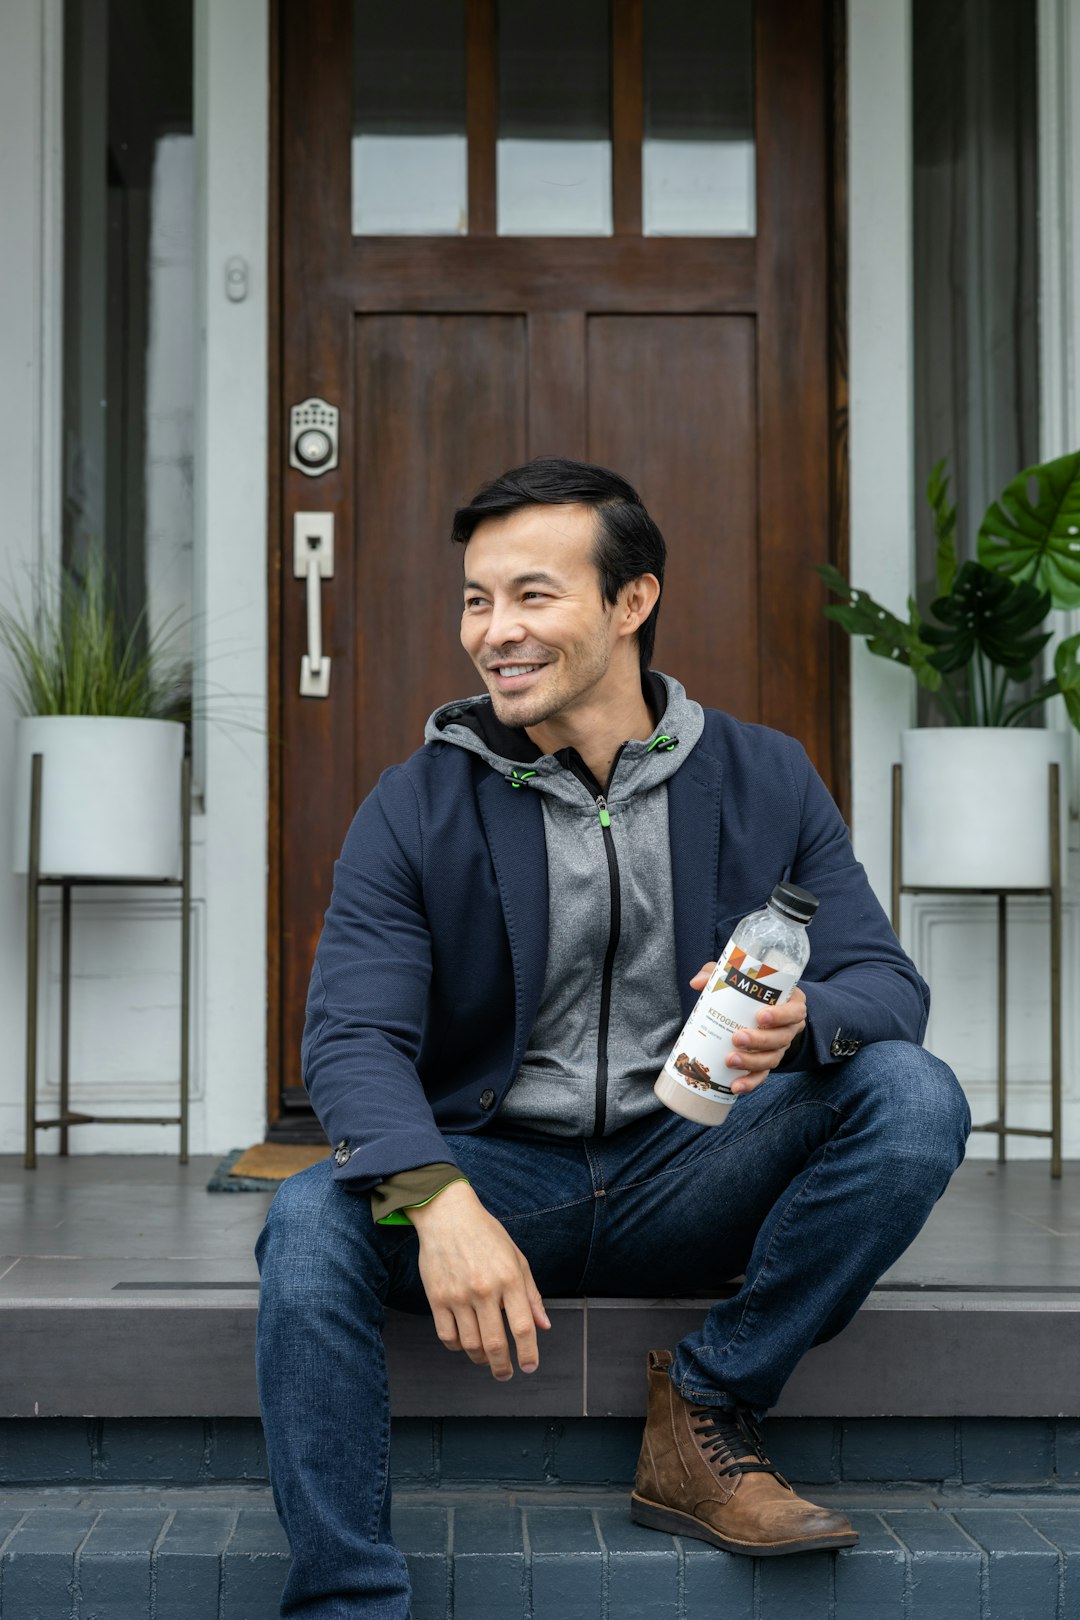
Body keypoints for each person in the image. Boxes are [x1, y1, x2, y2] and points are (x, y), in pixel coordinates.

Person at [256, 458, 970, 1615]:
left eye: (533, 595)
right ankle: (347, 1601)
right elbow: (347, 1040)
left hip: (690, 1166)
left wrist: (800, 1024)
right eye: (478, 600)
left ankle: (705, 1402)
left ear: (630, 602)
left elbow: (886, 985)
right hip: (497, 1184)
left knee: (913, 1094)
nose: (494, 632)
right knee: (305, 1223)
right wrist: (436, 1200)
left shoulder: (763, 775)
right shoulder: (415, 802)